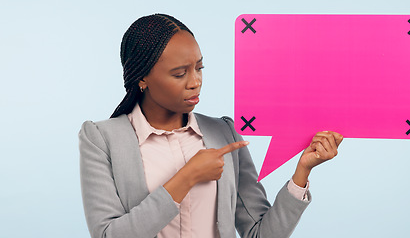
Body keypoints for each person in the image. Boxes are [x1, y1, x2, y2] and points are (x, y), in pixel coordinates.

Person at [79, 14, 343, 238]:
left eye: (199, 68)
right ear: (142, 78)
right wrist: (187, 176)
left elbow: (258, 233)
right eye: (180, 73)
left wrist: (302, 171)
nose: (195, 82)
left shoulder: (223, 133)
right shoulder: (101, 138)